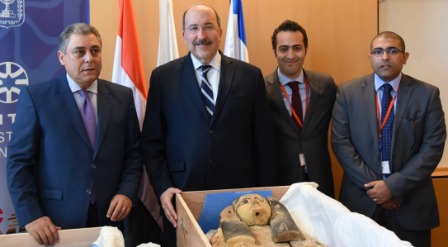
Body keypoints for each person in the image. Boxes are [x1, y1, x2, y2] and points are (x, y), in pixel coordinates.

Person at [140, 4, 275, 246]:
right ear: (183, 35)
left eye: (208, 27)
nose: (201, 35)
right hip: (182, 194)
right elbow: (151, 142)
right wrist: (163, 187)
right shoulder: (163, 77)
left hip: (240, 195)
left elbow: (264, 141)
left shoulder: (249, 75)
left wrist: (265, 194)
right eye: (193, 28)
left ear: (220, 31)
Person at [7, 23, 142, 246]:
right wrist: (31, 215)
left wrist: (127, 192)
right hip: (55, 223)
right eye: (79, 52)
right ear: (62, 57)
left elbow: (134, 155)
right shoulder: (37, 98)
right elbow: (18, 163)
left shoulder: (122, 97)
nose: (89, 58)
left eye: (95, 50)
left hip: (110, 219)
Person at [331, 31, 446, 247]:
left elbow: (432, 148)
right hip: (361, 203)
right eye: (378, 51)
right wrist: (377, 190)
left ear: (405, 57)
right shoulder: (348, 92)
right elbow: (340, 142)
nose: (385, 57)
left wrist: (393, 187)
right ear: (370, 57)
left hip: (411, 204)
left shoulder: (427, 94)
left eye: (392, 50)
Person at [265, 20, 336, 197]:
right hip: (281, 179)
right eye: (283, 49)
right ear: (274, 51)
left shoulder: (325, 85)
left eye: (297, 48)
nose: (291, 55)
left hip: (319, 176)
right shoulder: (261, 88)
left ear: (305, 50)